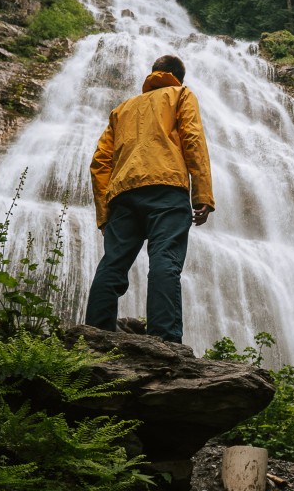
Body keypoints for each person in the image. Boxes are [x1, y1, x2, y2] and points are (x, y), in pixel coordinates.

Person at [85, 55, 214, 344]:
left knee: (113, 263)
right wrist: (202, 194)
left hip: (123, 194)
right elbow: (193, 139)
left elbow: (100, 162)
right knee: (164, 259)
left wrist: (104, 213)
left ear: (154, 73)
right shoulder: (181, 94)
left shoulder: (122, 109)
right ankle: (165, 338)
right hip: (167, 188)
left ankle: (95, 332)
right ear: (178, 77)